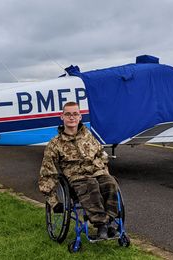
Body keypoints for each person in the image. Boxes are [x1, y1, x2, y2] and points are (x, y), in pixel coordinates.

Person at [39, 101, 119, 240]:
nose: (72, 117)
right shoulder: (55, 143)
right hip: (76, 179)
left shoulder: (89, 136)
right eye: (68, 114)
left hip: (96, 173)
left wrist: (103, 170)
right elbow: (47, 173)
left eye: (75, 114)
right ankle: (101, 225)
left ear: (80, 117)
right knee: (91, 184)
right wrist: (53, 201)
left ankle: (110, 222)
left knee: (110, 182)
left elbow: (102, 155)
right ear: (61, 117)